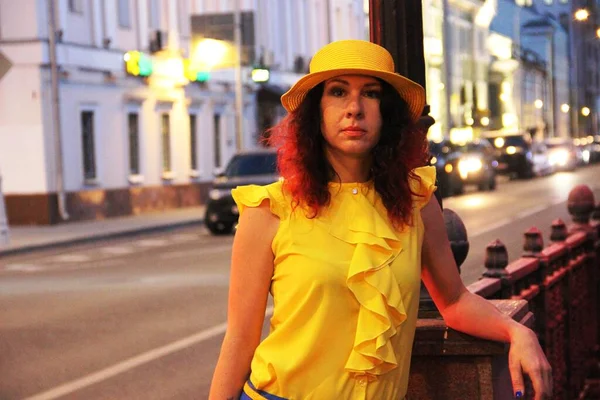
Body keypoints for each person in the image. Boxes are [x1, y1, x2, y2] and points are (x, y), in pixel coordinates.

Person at [209, 40, 552, 400]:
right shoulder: (268, 209)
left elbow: (454, 302)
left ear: (387, 111)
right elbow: (240, 338)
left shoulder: (416, 201)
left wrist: (519, 333)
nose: (354, 108)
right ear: (316, 111)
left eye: (370, 94)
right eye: (338, 92)